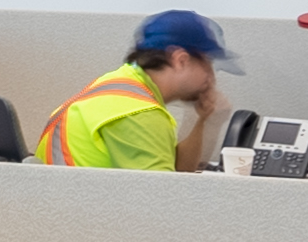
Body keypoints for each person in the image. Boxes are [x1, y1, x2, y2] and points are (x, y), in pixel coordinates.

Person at [39, 9, 230, 172]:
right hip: (83, 211)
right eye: (207, 62)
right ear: (180, 60)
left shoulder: (120, 85)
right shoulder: (138, 112)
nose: (211, 76)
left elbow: (175, 171)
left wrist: (206, 122)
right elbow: (162, 199)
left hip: (68, 206)